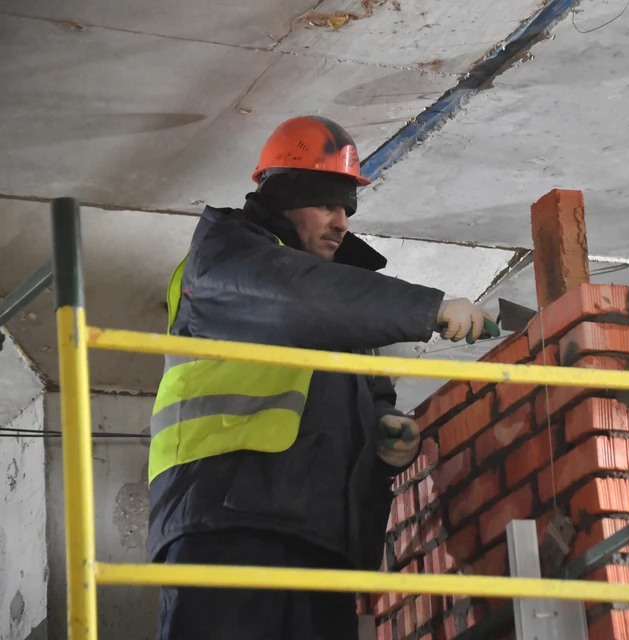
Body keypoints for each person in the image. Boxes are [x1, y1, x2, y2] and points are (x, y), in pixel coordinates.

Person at [148, 115, 499, 640]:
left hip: (322, 540)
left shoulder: (337, 303)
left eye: (347, 209)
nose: (342, 223)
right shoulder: (223, 259)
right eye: (328, 204)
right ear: (286, 197)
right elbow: (298, 294)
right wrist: (430, 308)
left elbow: (365, 384)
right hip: (228, 522)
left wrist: (385, 427)